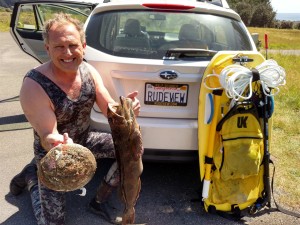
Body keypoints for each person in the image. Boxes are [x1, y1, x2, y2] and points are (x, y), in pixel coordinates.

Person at [9, 13, 140, 225]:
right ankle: (33, 178)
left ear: (83, 46)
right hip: (54, 152)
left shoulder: (89, 71)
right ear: (47, 48)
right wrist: (56, 141)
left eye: (73, 45)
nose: (68, 53)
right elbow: (47, 134)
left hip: (85, 140)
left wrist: (126, 110)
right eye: (59, 46)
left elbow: (109, 107)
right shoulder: (35, 85)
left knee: (131, 149)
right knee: (53, 223)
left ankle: (99, 201)